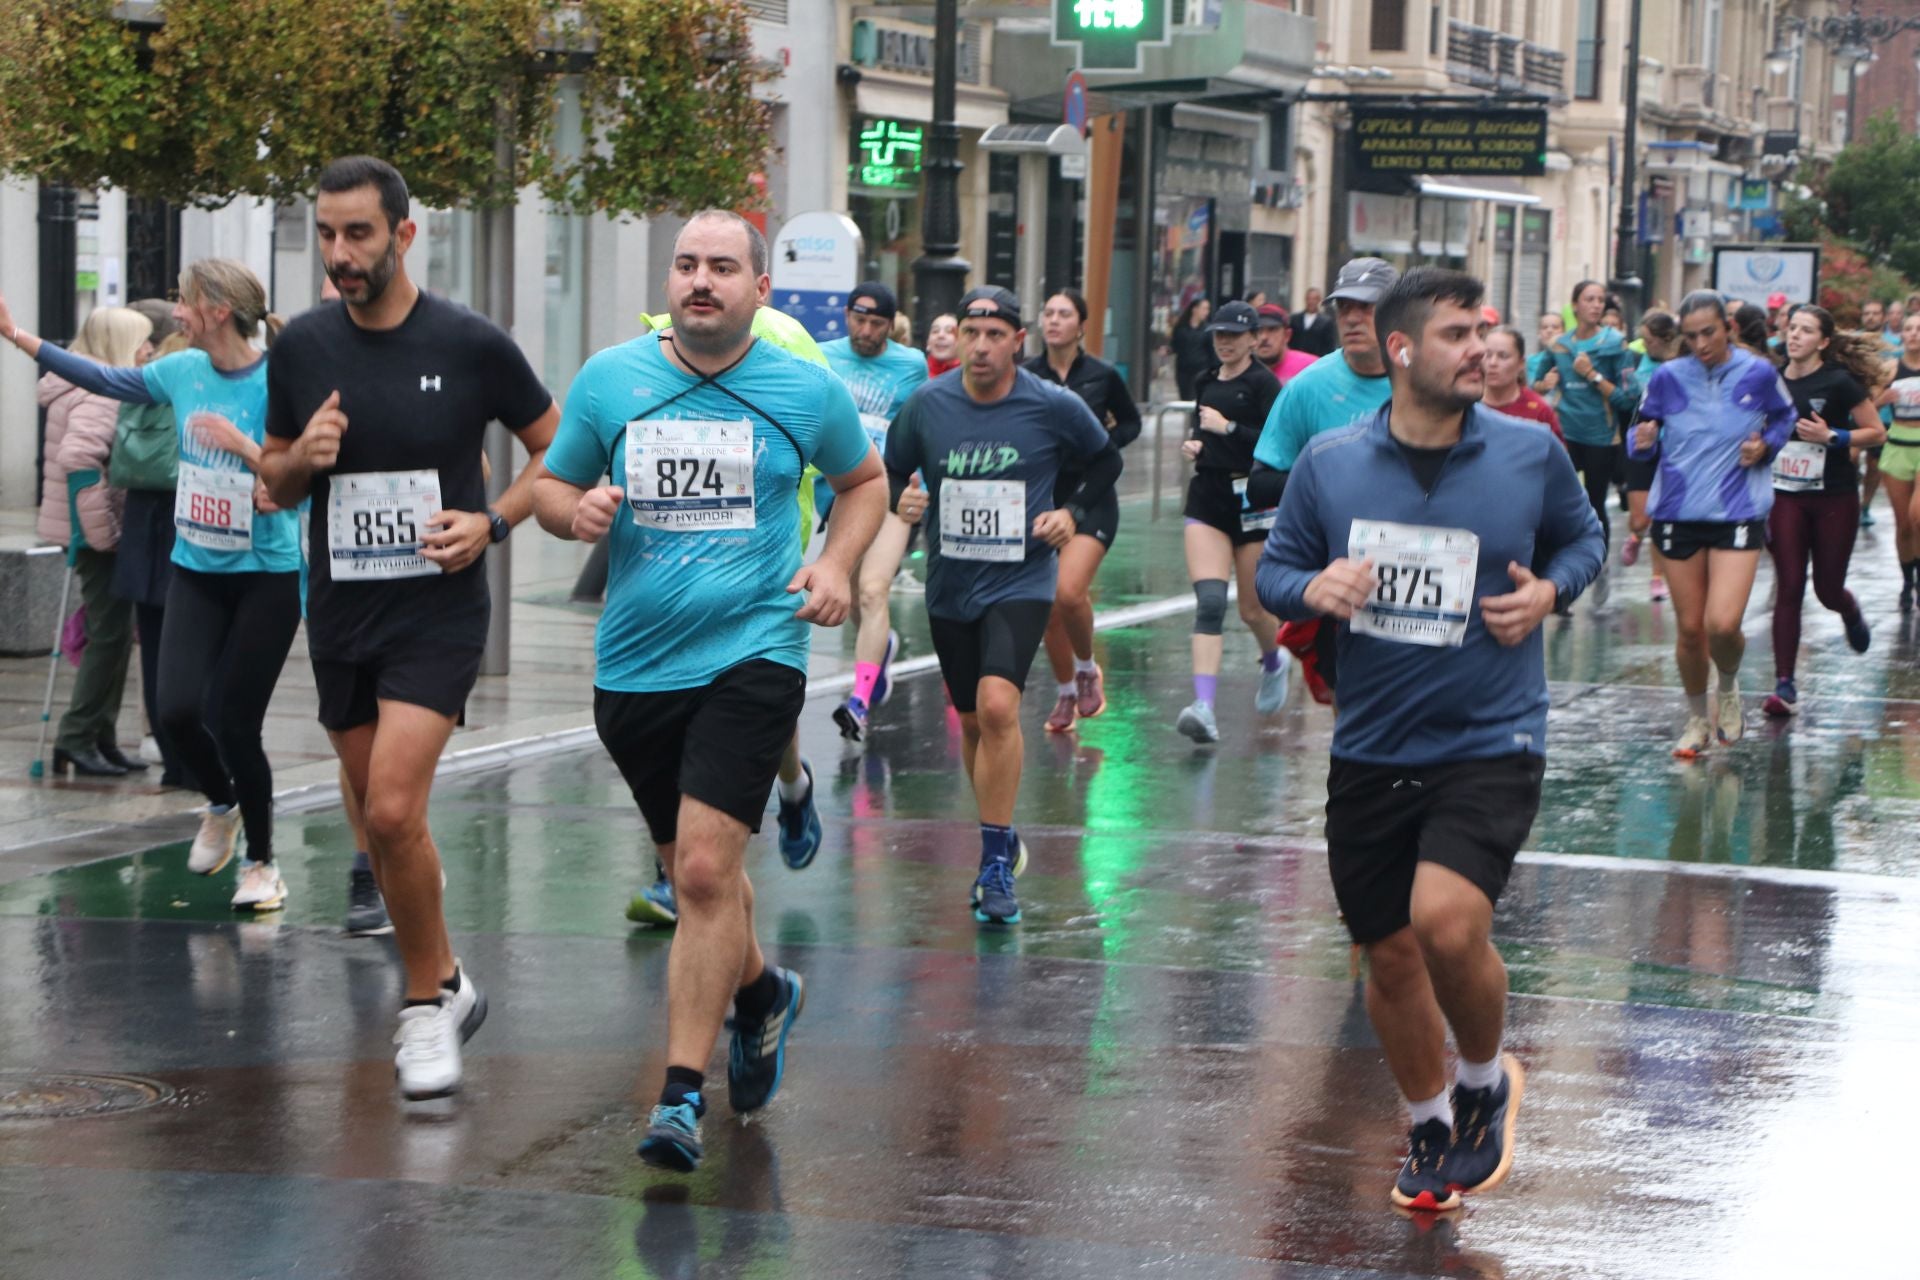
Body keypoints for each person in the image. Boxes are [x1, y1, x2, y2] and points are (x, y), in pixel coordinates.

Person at [535, 210, 885, 1170]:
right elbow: (551, 488)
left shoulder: (804, 389)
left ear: (759, 289)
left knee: (697, 871)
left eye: (722, 267)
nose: (701, 281)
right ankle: (764, 993)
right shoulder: (612, 379)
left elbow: (865, 482)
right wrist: (578, 511)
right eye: (687, 264)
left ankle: (680, 1098)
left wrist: (836, 566)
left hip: (756, 650)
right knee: (710, 884)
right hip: (637, 665)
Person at [1255, 266, 1604, 1213]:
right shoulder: (1330, 462)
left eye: (1483, 333)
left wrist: (1547, 593)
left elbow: (1586, 544)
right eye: (1457, 335)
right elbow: (1277, 572)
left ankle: (1486, 1079)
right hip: (1372, 743)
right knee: (1390, 952)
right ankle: (1426, 1120)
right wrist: (1312, 589)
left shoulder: (1530, 453)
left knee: (1447, 921)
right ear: (1403, 350)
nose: (1480, 350)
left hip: (1491, 733)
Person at [258, 156, 558, 1099]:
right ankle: (453, 982)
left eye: (359, 235)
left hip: (438, 610)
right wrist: (299, 458)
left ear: (403, 234)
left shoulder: (471, 344)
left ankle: (425, 1006)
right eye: (328, 236)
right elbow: (272, 476)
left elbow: (556, 449)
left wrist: (493, 522)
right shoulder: (301, 346)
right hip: (342, 610)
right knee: (382, 828)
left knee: (392, 808)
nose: (341, 255)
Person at [2, 262, 301, 913]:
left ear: (218, 309)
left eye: (185, 301)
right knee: (174, 712)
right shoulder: (180, 372)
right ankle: (221, 805)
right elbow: (104, 377)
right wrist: (20, 337)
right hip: (195, 567)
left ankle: (262, 863)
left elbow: (305, 469)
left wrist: (245, 453)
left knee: (237, 722)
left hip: (267, 577)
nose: (178, 312)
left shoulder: (279, 379)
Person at [884, 286, 1120, 924]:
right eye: (971, 334)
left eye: (995, 336)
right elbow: (889, 471)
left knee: (997, 706)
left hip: (1020, 581)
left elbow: (1104, 462)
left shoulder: (1050, 405)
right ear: (957, 338)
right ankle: (1002, 835)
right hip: (950, 584)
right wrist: (901, 505)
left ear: (1019, 341)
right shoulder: (927, 404)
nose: (981, 347)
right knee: (970, 722)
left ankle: (993, 866)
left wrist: (1069, 514)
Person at [1627, 291, 1796, 758]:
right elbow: (1640, 436)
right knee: (1689, 631)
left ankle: (1728, 688)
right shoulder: (1666, 377)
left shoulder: (1758, 373)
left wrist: (1766, 447)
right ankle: (1698, 718)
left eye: (1709, 332)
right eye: (1691, 335)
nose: (1700, 343)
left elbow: (1786, 416)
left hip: (1737, 510)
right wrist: (1641, 440)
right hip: (1678, 512)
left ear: (1729, 329)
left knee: (1722, 625)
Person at [1246, 258, 1400, 706]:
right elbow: (1261, 484)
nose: (1352, 318)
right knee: (1349, 708)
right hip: (1339, 577)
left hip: (1417, 570)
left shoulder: (1425, 380)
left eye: (1366, 307)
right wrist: (1331, 478)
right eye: (1344, 307)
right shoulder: (1307, 387)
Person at [36, 307, 151, 776]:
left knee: (116, 633)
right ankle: (78, 735)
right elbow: (80, 458)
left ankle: (98, 735)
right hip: (94, 534)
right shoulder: (100, 394)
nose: (149, 351)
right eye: (143, 341)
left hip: (82, 530)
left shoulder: (77, 387)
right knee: (109, 635)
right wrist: (102, 534)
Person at [1024, 288, 1141, 732]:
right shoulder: (1026, 374)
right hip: (1039, 500)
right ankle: (1066, 692)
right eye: (1048, 313)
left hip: (1092, 496)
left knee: (1068, 593)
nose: (1054, 321)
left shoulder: (1102, 375)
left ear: (1081, 325)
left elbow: (1131, 421)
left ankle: (1088, 668)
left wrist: (1105, 444)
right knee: (1046, 607)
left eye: (1064, 314)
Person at [821, 282, 930, 742]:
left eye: (877, 324)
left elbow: (926, 425)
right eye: (859, 320)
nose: (866, 331)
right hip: (840, 490)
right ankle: (880, 647)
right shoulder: (821, 355)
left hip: (891, 487)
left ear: (892, 324)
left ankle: (860, 703)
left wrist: (921, 485)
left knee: (871, 591)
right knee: (846, 596)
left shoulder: (911, 365)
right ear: (846, 315)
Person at [1763, 304, 1883, 718]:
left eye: (1806, 330)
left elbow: (1875, 432)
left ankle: (1849, 611)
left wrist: (1833, 435)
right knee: (1790, 584)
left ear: (1824, 341)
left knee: (1826, 590)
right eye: (1792, 327)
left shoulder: (1839, 381)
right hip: (1785, 496)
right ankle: (1784, 684)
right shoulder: (1771, 380)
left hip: (1833, 496)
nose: (1795, 336)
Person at [1175, 300, 1286, 742]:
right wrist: (1196, 445)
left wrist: (1228, 431)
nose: (1224, 343)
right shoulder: (1204, 380)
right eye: (1219, 335)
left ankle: (1275, 661)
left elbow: (1277, 445)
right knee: (1210, 603)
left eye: (1234, 336)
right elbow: (1201, 432)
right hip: (1208, 497)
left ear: (1252, 338)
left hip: (1254, 499)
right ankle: (1203, 707)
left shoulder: (1265, 384)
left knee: (1253, 608)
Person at [110, 304, 194, 784]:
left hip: (144, 522)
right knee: (190, 648)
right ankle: (189, 756)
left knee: (157, 645)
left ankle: (171, 751)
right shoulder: (189, 375)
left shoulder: (143, 377)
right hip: (182, 521)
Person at [1544, 281, 1629, 556]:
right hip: (1566, 431)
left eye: (1600, 300)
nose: (1595, 305)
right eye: (1589, 299)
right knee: (1557, 498)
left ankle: (1597, 557)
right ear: (1575, 305)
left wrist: (1592, 375)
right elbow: (1536, 383)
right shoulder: (1559, 345)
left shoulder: (1615, 343)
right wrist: (1544, 384)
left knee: (1595, 501)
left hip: (1600, 435)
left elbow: (1628, 397)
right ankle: (1558, 552)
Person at [1618, 311, 1685, 602]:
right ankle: (1635, 536)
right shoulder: (1635, 361)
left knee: (1660, 517)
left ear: (1666, 340)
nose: (1644, 346)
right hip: (1644, 447)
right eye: (1642, 340)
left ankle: (1657, 578)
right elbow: (1629, 399)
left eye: (1649, 341)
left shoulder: (1679, 369)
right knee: (1640, 518)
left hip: (1671, 449)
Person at [1874, 312, 1920, 607]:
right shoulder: (1891, 367)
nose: (1914, 333)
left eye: (1919, 329)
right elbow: (1864, 404)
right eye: (1908, 329)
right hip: (1897, 445)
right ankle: (1907, 582)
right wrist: (1882, 399)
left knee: (1918, 517)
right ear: (1901, 334)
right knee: (1903, 524)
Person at [1479, 326, 1561, 440]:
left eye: (1503, 356)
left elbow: (1558, 454)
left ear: (1521, 363)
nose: (1493, 363)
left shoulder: (1540, 411)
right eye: (1487, 355)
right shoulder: (1466, 405)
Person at [1255, 303, 1316, 384]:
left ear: (1287, 335)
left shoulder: (1311, 368)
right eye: (1259, 330)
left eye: (1272, 329)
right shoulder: (1240, 370)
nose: (1264, 337)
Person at [1168, 296, 1215, 399]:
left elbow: (1212, 351)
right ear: (1194, 309)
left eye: (1207, 309)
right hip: (1183, 369)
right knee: (1185, 396)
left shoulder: (1208, 330)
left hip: (1201, 368)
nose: (1206, 312)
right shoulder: (1181, 328)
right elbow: (1175, 346)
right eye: (1204, 308)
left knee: (1198, 396)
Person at [1528, 312, 1563, 399]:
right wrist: (1544, 385)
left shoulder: (1571, 357)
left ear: (1564, 332)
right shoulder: (1529, 361)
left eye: (1555, 327)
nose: (1549, 331)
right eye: (1544, 327)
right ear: (1538, 333)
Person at [1292, 286, 1335, 357]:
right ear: (1305, 299)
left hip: (1316, 360)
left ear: (1319, 300)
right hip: (1297, 359)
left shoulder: (1326, 322)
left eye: (1314, 299)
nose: (1311, 302)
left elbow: (1329, 346)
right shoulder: (1295, 319)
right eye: (1309, 299)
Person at [925, 313, 960, 377]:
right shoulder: (917, 375)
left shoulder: (970, 377)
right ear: (928, 343)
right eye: (935, 331)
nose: (940, 335)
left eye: (949, 331)